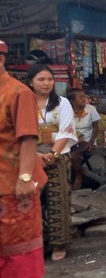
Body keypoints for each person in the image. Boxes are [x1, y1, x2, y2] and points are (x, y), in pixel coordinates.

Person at [0, 40, 44, 277]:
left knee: (19, 254)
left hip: (13, 187)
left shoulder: (19, 92)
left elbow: (28, 138)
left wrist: (25, 178)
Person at [26, 64, 78, 262]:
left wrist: (53, 154)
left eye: (49, 79)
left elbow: (66, 130)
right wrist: (35, 155)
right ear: (30, 82)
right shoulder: (23, 102)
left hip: (57, 157)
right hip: (30, 157)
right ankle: (39, 241)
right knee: (30, 201)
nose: (46, 83)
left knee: (58, 200)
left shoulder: (62, 102)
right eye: (41, 79)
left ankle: (59, 244)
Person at [66, 88, 101, 190]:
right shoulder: (67, 112)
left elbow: (96, 127)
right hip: (72, 139)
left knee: (74, 155)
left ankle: (79, 176)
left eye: (84, 96)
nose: (84, 99)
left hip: (87, 139)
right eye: (80, 97)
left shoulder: (91, 109)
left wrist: (91, 142)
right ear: (72, 101)